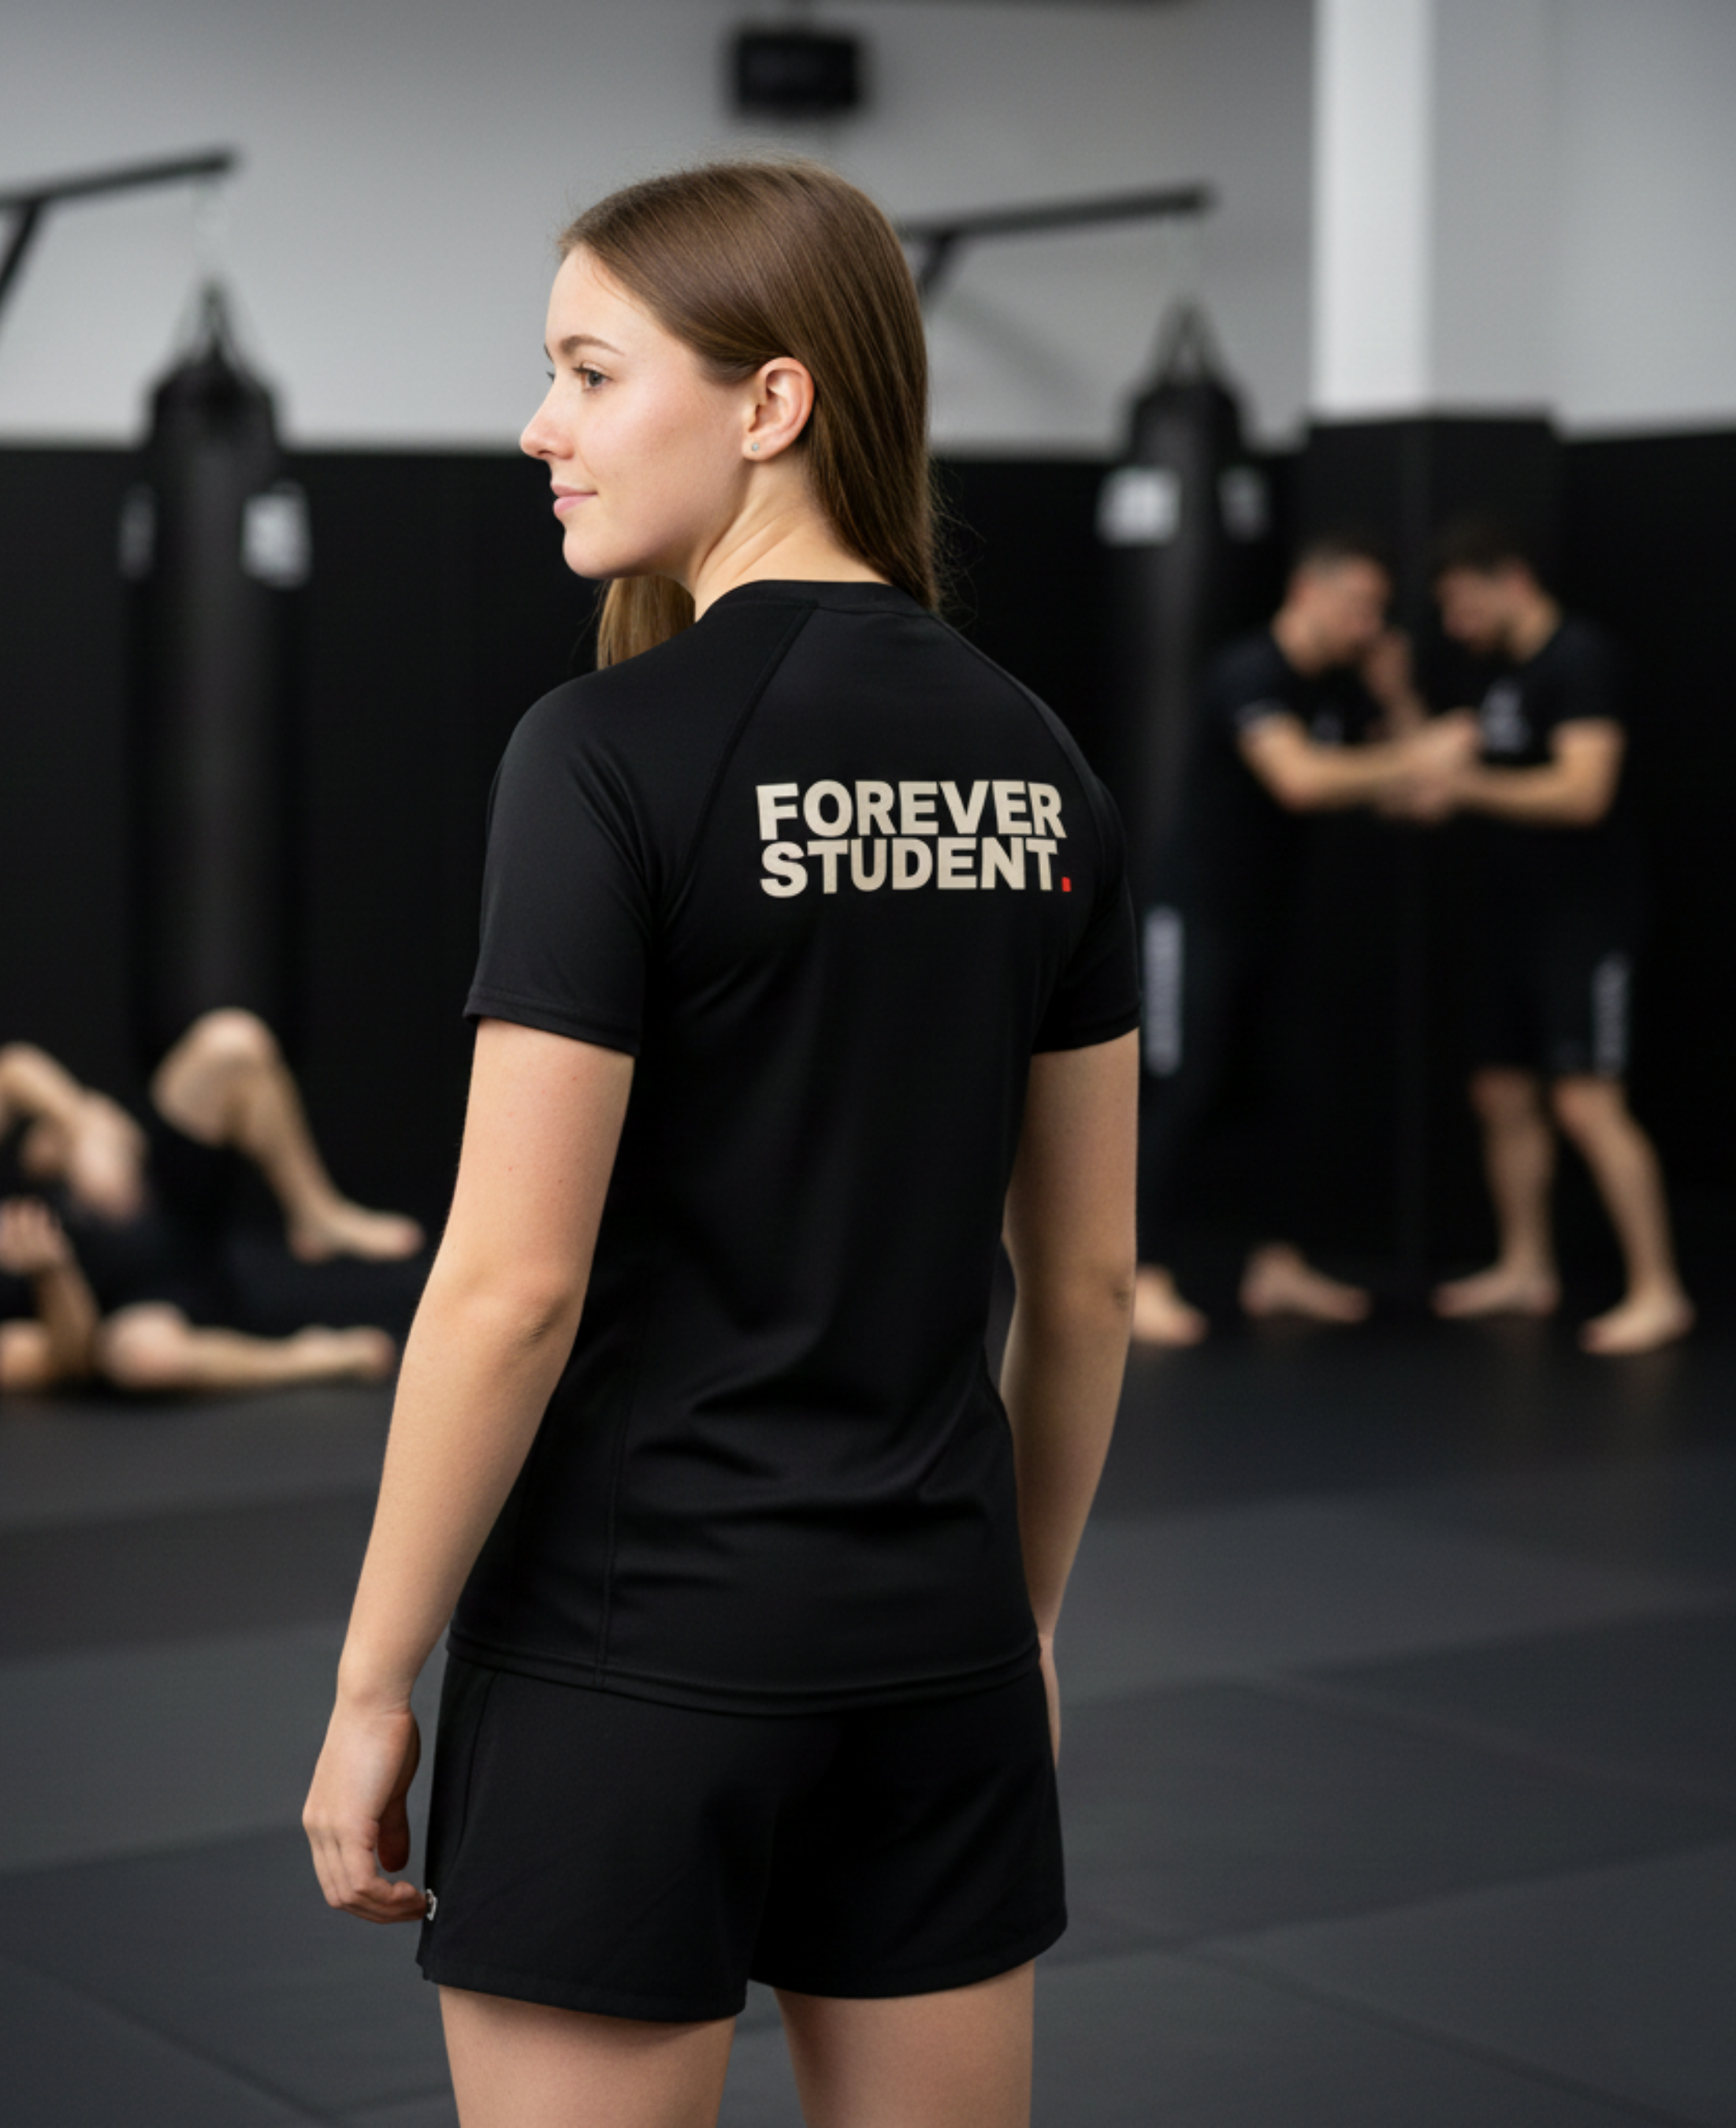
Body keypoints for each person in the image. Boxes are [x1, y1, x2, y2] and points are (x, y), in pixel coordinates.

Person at [301, 162, 1139, 2128]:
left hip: (628, 1652)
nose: (540, 427)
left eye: (589, 372)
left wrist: (368, 1682)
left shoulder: (600, 752)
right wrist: (1010, 1625)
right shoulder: (1042, 758)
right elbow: (1086, 1280)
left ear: (769, 404)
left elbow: (510, 1286)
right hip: (933, 1658)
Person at [1132, 533, 1477, 1345]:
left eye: (1378, 611)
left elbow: (1424, 797)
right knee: (1183, 1090)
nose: (1370, 624)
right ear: (1307, 594)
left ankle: (1277, 1265)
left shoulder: (1343, 687)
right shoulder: (1249, 672)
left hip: (1275, 920)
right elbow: (1300, 778)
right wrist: (1412, 753)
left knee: (1297, 1087)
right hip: (1197, 915)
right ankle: (1141, 1276)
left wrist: (1396, 703)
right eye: (1358, 606)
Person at [0, 1009, 422, 1392]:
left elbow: (12, 1069)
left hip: (150, 1189)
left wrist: (72, 1125)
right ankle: (309, 1357)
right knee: (136, 1358)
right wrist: (50, 1270)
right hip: (154, 1293)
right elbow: (66, 1360)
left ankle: (314, 1210)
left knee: (233, 1041)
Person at [1406, 518, 1693, 1355]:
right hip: (1514, 914)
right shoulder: (1504, 672)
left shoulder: (1580, 659)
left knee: (1586, 1101)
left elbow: (1582, 793)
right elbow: (1460, 763)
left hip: (1585, 918)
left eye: (1464, 604)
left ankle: (1658, 1289)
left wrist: (1465, 789)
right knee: (1500, 1092)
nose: (1458, 625)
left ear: (1513, 580)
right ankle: (1528, 1266)